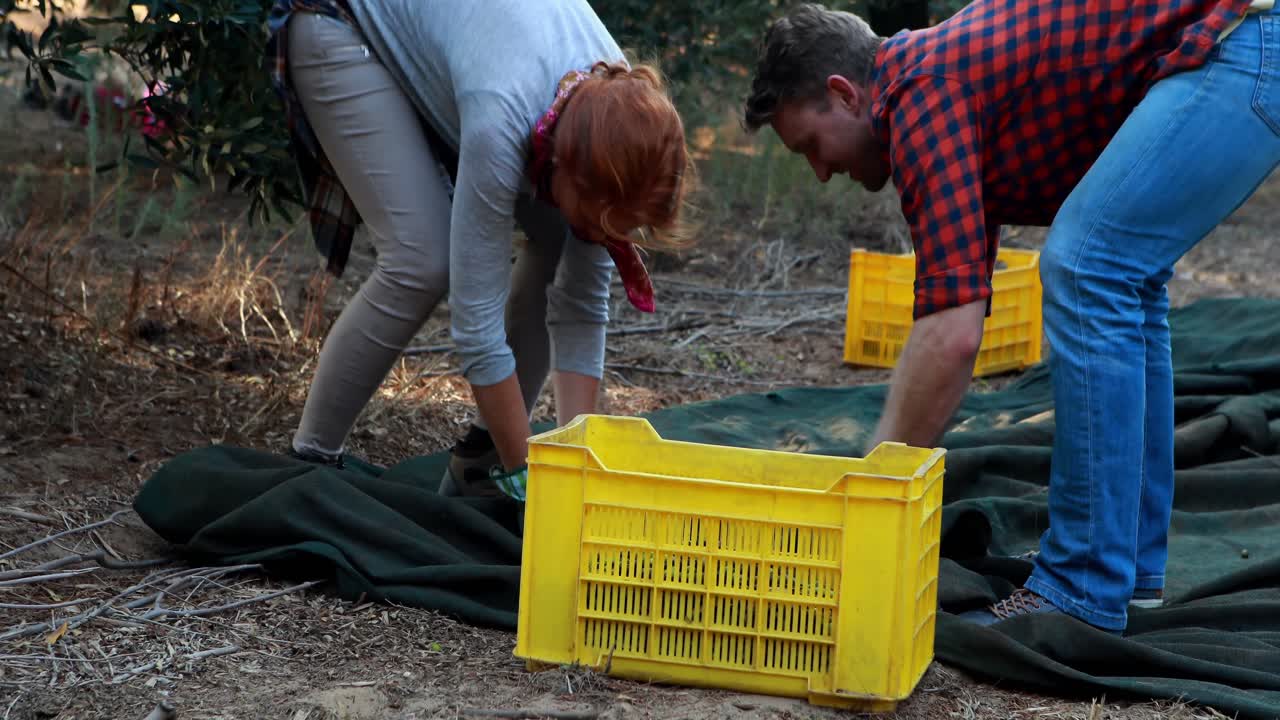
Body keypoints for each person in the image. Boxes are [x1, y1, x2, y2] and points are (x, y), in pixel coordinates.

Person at [742, 0, 1279, 633]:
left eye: (810, 145)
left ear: (844, 94)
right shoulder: (938, 86)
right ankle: (1127, 568)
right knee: (1122, 283)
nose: (820, 171)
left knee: (1088, 267)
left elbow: (951, 335)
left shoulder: (919, 89)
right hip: (1248, 46)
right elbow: (955, 306)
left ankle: (1080, 586)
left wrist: (872, 485)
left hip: (1239, 42)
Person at [265, 0, 694, 500]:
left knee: (563, 238)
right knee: (422, 259)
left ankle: (483, 462)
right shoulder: (502, 119)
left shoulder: (619, 110)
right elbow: (476, 328)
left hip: (463, 48)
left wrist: (579, 469)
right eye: (599, 222)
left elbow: (582, 303)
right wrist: (529, 481)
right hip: (340, 22)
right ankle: (311, 464)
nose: (603, 237)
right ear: (564, 166)